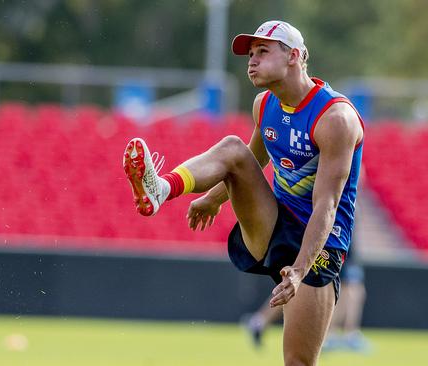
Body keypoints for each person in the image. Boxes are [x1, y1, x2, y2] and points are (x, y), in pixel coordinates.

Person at [123, 20, 364, 366]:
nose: (251, 61)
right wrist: (213, 198)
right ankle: (161, 188)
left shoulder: (335, 118)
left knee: (298, 363)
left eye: (262, 52)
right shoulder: (264, 105)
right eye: (250, 54)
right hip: (274, 224)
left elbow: (326, 204)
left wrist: (298, 270)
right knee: (235, 149)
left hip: (319, 246)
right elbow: (252, 161)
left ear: (294, 56)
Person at [242, 243, 371, 353]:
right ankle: (339, 334)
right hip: (332, 237)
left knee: (299, 286)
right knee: (346, 287)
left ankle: (259, 320)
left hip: (331, 236)